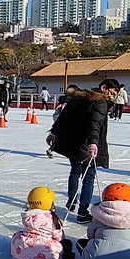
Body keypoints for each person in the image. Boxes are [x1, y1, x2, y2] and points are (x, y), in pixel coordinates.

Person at [46, 78, 119, 224]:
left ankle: (71, 201)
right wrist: (93, 143)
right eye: (111, 93)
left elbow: (63, 116)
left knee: (75, 171)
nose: (111, 97)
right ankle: (82, 212)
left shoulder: (79, 97)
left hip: (72, 143)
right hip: (86, 144)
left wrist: (53, 132)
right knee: (88, 177)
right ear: (103, 87)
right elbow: (95, 124)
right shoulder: (100, 102)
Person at [11, 186, 69, 259]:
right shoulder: (52, 218)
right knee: (66, 244)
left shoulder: (27, 216)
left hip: (23, 250)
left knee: (17, 235)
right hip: (45, 251)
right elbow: (59, 237)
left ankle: (26, 255)